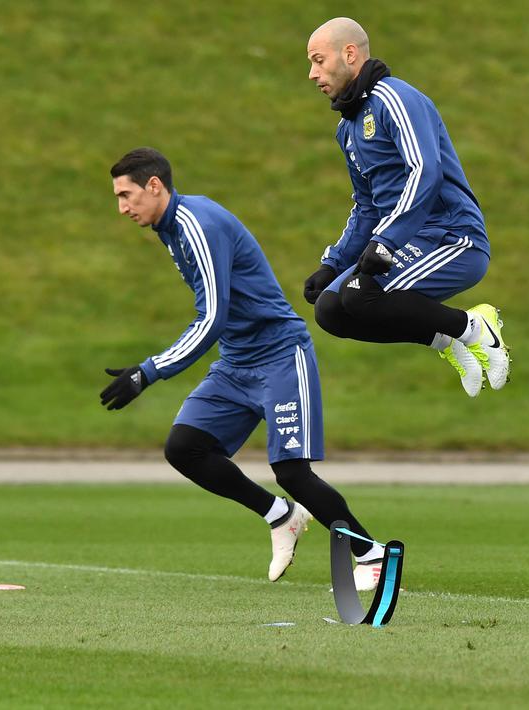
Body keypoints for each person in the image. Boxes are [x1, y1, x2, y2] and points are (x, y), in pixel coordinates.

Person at [101, 147, 384, 590]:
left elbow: (212, 316)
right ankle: (281, 516)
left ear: (154, 185)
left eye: (126, 195)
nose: (121, 208)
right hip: (237, 362)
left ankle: (372, 555)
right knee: (185, 447)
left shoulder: (196, 224)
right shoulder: (168, 227)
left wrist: (148, 371)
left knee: (292, 472)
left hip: (279, 355)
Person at [300, 17, 509, 398]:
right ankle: (449, 342)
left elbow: (425, 172)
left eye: (318, 60)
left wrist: (387, 241)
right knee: (329, 310)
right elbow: (366, 205)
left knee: (359, 295)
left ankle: (476, 327)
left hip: (452, 237)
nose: (312, 74)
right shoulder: (347, 129)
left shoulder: (394, 98)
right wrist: (333, 261)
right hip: (401, 241)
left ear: (349, 54)